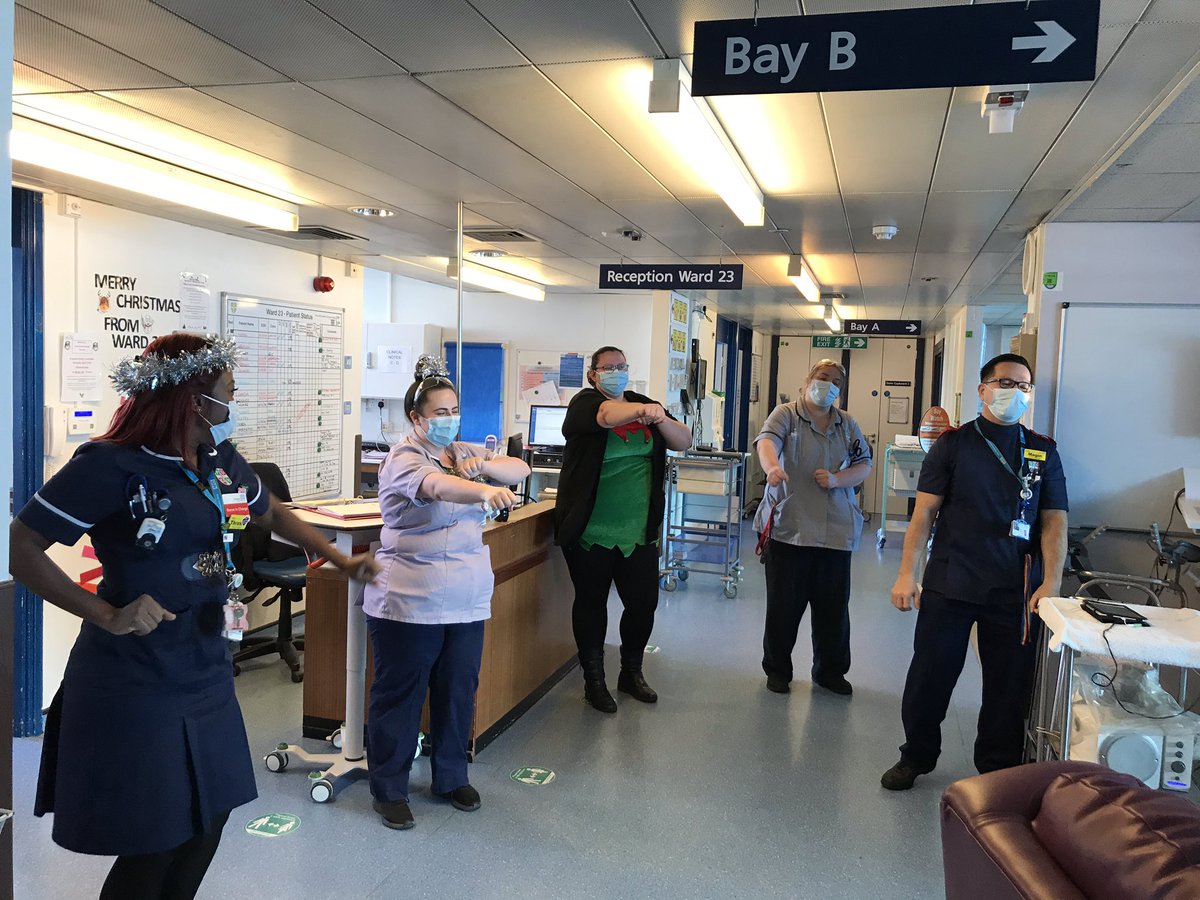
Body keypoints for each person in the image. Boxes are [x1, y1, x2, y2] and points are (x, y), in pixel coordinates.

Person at [9, 333, 379, 899]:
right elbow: (23, 545)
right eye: (228, 393)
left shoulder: (216, 458)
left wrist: (336, 557)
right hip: (135, 676)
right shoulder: (109, 465)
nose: (235, 404)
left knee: (209, 820)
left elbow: (269, 511)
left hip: (205, 666)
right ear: (192, 399)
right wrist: (106, 613)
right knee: (156, 838)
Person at [881, 353, 1069, 791]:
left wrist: (1052, 581)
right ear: (983, 390)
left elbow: (1054, 519)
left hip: (1016, 586)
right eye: (1005, 383)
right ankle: (917, 756)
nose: (1015, 392)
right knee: (931, 675)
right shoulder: (954, 445)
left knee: (1008, 686)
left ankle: (997, 768)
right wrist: (907, 573)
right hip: (953, 579)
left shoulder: (1043, 449)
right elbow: (924, 514)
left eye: (1023, 385)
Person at [364, 357, 530, 830]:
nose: (449, 419)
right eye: (439, 412)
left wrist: (487, 463)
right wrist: (479, 491)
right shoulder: (403, 458)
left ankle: (451, 775)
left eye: (454, 409)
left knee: (458, 688)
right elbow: (437, 487)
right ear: (416, 418)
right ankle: (390, 788)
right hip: (409, 595)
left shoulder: (459, 449)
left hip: (465, 593)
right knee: (401, 694)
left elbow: (517, 468)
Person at [554, 346, 693, 713]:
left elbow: (683, 440)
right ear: (592, 374)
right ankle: (594, 682)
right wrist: (643, 411)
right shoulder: (584, 403)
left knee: (643, 604)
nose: (616, 372)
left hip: (639, 532)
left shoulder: (644, 404)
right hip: (591, 531)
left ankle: (631, 673)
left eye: (621, 367)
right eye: (607, 368)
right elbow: (605, 414)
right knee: (592, 604)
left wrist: (659, 418)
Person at [754, 358, 873, 697]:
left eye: (836, 381)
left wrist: (838, 479)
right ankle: (777, 670)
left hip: (835, 532)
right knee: (783, 608)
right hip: (789, 529)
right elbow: (766, 442)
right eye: (823, 377)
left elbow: (864, 464)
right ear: (808, 379)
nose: (829, 384)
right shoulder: (786, 415)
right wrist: (772, 466)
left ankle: (830, 672)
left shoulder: (846, 424)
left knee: (833, 612)